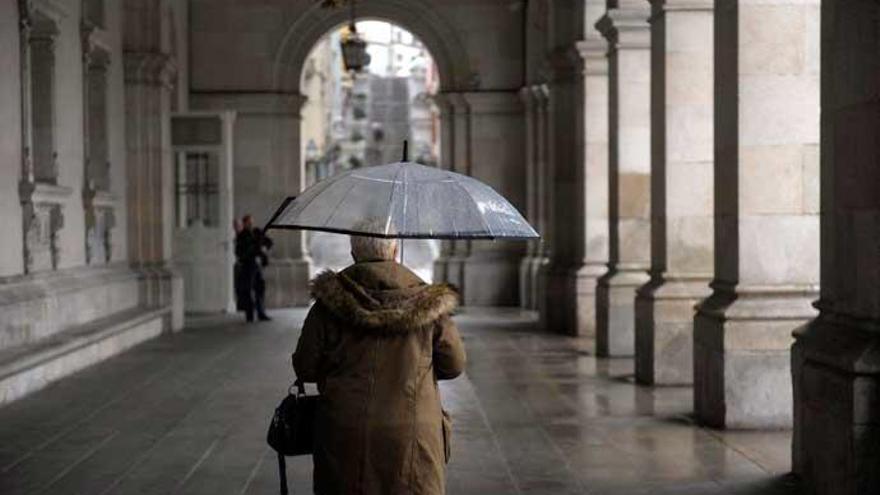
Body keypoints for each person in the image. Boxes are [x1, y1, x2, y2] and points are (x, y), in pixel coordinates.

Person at [292, 225, 466, 495]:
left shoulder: (327, 306)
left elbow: (305, 367)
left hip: (344, 431)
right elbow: (454, 365)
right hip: (413, 435)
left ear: (353, 253)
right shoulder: (429, 303)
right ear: (395, 251)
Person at [234, 214, 273, 322]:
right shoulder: (242, 236)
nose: (250, 224)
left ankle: (261, 313)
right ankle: (249, 314)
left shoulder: (257, 232)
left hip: (257, 265)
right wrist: (253, 249)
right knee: (248, 290)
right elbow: (240, 252)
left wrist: (264, 248)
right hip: (248, 265)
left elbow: (268, 242)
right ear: (245, 223)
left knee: (260, 288)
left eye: (251, 222)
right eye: (248, 222)